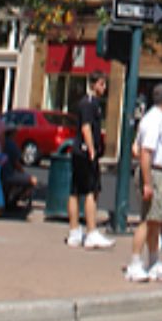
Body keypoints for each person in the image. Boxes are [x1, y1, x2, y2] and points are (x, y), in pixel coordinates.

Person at [127, 83, 162, 283]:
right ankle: (134, 263)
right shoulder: (153, 120)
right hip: (154, 173)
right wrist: (148, 182)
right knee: (147, 219)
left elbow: (137, 147)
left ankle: (153, 261)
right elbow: (145, 152)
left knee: (155, 220)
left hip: (158, 172)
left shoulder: (156, 119)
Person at [67, 72, 113, 249]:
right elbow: (86, 127)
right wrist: (92, 149)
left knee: (76, 190)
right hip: (86, 152)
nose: (104, 88)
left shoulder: (89, 104)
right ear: (93, 84)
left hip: (80, 151)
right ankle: (91, 231)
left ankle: (74, 231)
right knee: (91, 190)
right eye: (102, 84)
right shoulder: (89, 104)